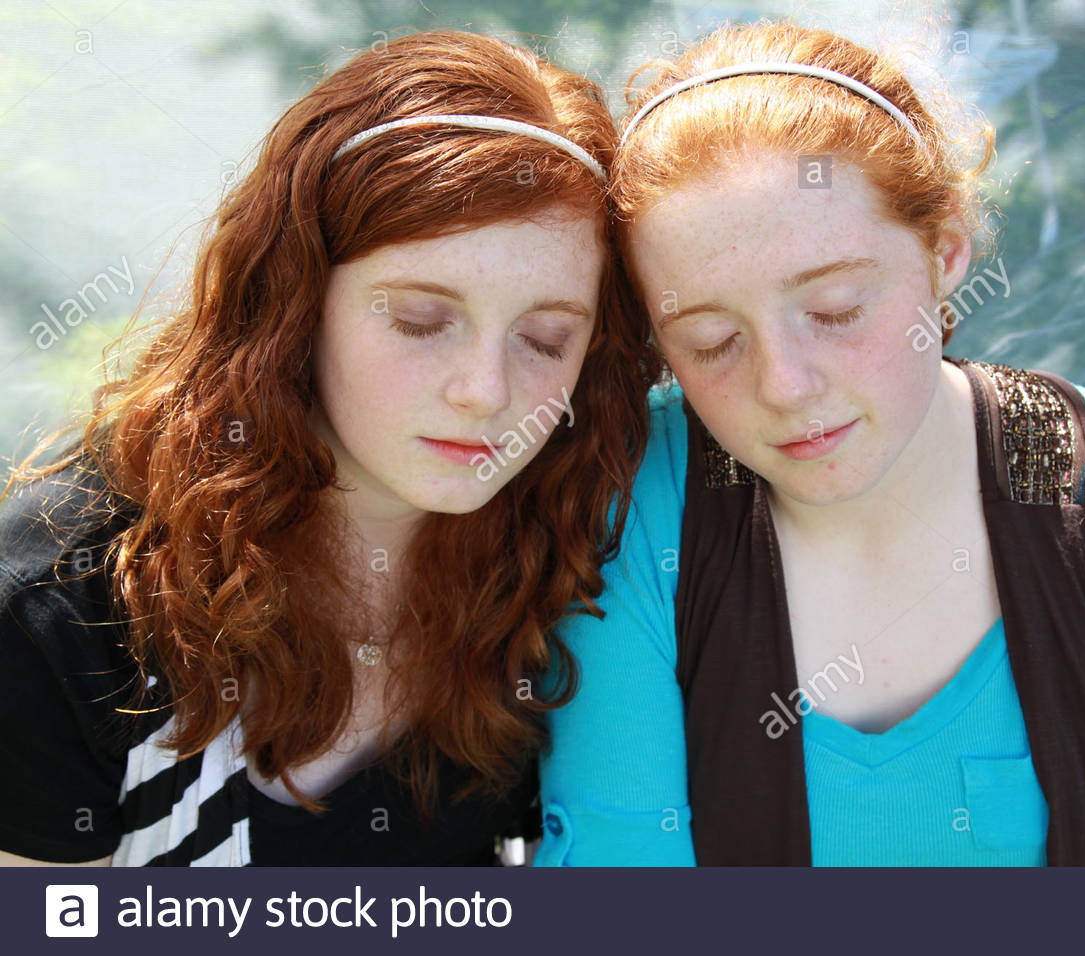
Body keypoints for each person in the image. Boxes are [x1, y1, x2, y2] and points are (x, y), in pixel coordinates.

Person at [536, 21, 1085, 866]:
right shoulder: (635, 517)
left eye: (835, 311)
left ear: (944, 253)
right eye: (712, 341)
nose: (784, 384)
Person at [0, 30, 656, 866]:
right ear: (295, 303)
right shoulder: (68, 611)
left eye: (547, 337)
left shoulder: (569, 564)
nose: (485, 390)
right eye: (421, 321)